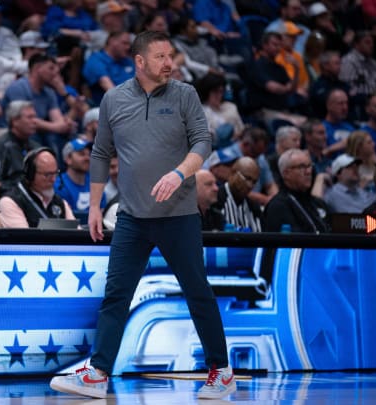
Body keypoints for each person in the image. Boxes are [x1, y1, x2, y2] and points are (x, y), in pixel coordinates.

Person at [49, 31, 234, 400]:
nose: (170, 63)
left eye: (171, 56)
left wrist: (180, 172)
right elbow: (101, 153)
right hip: (132, 216)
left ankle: (222, 371)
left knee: (198, 292)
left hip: (178, 215)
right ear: (139, 61)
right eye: (161, 56)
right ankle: (99, 373)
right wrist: (97, 207)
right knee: (116, 295)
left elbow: (203, 142)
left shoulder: (185, 94)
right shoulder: (114, 98)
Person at [0, 100, 42, 192]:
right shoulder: (1, 147)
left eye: (35, 117)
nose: (35, 121)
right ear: (14, 121)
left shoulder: (36, 147)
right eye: (30, 117)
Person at [0, 147, 75, 228]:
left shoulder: (60, 202)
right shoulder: (10, 202)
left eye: (55, 173)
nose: (53, 179)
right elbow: (23, 238)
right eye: (47, 175)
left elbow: (76, 233)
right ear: (30, 174)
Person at [264, 148, 331, 233]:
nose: (308, 172)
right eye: (302, 167)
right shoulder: (278, 206)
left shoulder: (319, 203)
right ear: (286, 173)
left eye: (309, 166)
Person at [55, 138, 105, 213]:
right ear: (68, 159)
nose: (87, 158)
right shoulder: (59, 185)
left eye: (89, 154)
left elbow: (102, 213)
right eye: (81, 154)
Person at [216, 157, 264, 232]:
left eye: (254, 182)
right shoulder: (215, 200)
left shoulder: (254, 208)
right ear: (233, 173)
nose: (250, 185)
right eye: (247, 178)